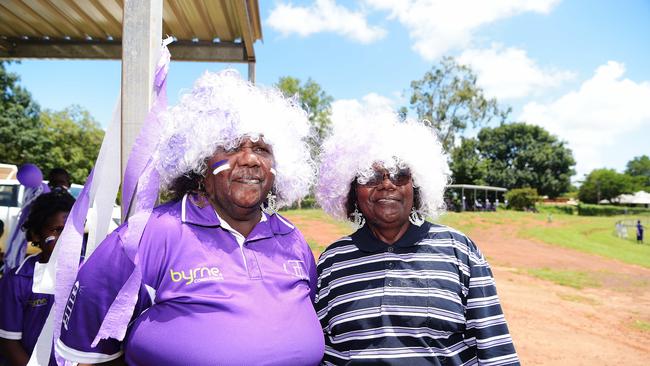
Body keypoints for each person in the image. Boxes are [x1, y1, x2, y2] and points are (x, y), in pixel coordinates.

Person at [55, 70, 324, 365]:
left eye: (262, 149)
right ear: (199, 160)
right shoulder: (146, 236)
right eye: (232, 146)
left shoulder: (292, 239)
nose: (250, 159)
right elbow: (88, 353)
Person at [315, 112, 519, 365]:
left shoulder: (459, 250)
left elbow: (495, 349)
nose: (387, 184)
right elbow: (320, 350)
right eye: (371, 176)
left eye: (400, 174)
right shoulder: (333, 260)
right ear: (352, 191)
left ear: (417, 185)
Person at [0, 191, 75, 365]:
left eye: (72, 229)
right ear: (35, 235)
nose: (66, 238)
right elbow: (8, 341)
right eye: (57, 230)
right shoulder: (18, 280)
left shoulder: (86, 275)